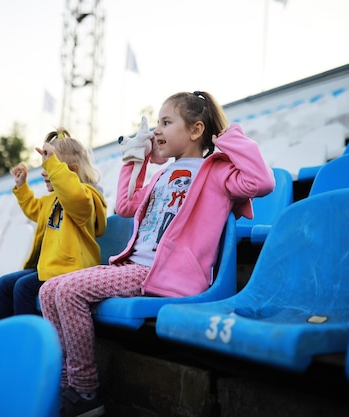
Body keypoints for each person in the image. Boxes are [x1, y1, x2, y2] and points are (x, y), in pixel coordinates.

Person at [39, 91, 276, 417]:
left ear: (194, 131)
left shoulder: (217, 173)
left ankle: (85, 390)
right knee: (49, 289)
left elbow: (262, 181)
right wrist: (137, 159)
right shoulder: (162, 174)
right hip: (134, 265)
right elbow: (125, 205)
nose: (157, 130)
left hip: (161, 273)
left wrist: (227, 137)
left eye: (166, 122)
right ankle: (68, 383)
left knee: (66, 291)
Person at [0, 127, 108, 323]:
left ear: (73, 171)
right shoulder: (53, 199)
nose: (44, 173)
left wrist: (55, 168)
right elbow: (35, 210)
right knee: (5, 283)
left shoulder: (86, 198)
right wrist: (22, 187)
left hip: (72, 270)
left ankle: (28, 343)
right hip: (51, 268)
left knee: (23, 288)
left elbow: (73, 195)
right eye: (45, 167)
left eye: (51, 168)